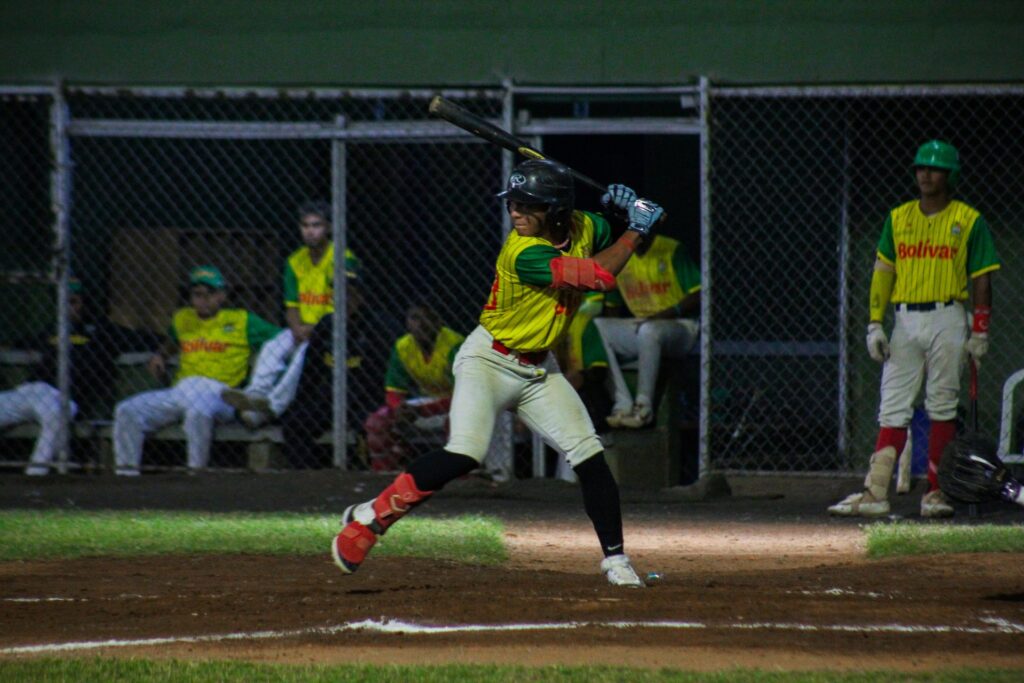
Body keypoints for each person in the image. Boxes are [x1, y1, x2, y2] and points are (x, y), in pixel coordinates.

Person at [331, 159, 665, 587]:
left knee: (589, 455)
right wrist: (635, 227)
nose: (516, 213)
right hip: (488, 360)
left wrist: (625, 209)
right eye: (514, 203)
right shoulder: (522, 251)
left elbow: (626, 232)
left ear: (558, 211)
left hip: (540, 370)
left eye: (529, 205)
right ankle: (371, 517)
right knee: (466, 452)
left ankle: (616, 560)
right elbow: (599, 275)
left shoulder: (583, 226)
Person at [828, 140, 1000, 519]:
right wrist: (874, 323)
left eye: (934, 168)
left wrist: (980, 330)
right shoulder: (898, 218)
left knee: (941, 405)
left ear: (950, 175)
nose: (925, 174)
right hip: (904, 318)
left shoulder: (968, 220)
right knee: (892, 407)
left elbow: (982, 279)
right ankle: (875, 492)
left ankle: (935, 493)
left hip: (948, 315)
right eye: (921, 167)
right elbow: (882, 273)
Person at [112, 266, 281, 475]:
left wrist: (261, 365)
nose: (202, 300)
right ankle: (126, 476)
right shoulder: (183, 318)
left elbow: (281, 339)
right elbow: (173, 341)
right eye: (197, 294)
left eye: (209, 294)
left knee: (197, 411)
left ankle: (195, 474)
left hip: (220, 393)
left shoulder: (242, 320)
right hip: (180, 390)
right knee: (127, 410)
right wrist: (161, 355)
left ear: (222, 296)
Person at [221, 201, 360, 427]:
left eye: (316, 225)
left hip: (332, 331)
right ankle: (255, 396)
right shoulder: (295, 261)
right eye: (305, 225)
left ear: (329, 228)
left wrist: (312, 331)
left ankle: (272, 407)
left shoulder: (343, 258)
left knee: (303, 354)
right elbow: (291, 306)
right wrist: (296, 328)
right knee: (273, 346)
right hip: (302, 328)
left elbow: (346, 308)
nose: (311, 231)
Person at [0, 279, 157, 475]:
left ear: (84, 302)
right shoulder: (51, 330)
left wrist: (162, 352)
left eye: (74, 301)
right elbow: (17, 344)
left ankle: (34, 475)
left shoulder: (102, 331)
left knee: (58, 412)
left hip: (60, 397)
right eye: (64, 301)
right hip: (31, 390)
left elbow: (148, 339)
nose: (69, 307)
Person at [592, 187, 701, 428]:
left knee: (649, 330)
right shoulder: (620, 255)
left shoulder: (671, 248)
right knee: (597, 327)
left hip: (681, 328)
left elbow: (697, 294)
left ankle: (644, 408)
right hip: (643, 328)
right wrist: (617, 336)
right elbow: (611, 306)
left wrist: (661, 316)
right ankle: (622, 404)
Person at [364, 304, 465, 471]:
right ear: (407, 323)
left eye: (428, 318)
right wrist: (399, 408)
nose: (421, 324)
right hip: (429, 403)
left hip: (462, 405)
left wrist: (422, 411)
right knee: (377, 421)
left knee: (456, 421)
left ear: (439, 322)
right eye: (415, 318)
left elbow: (464, 396)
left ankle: (461, 476)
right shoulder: (403, 346)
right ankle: (384, 475)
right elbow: (394, 390)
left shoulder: (456, 346)